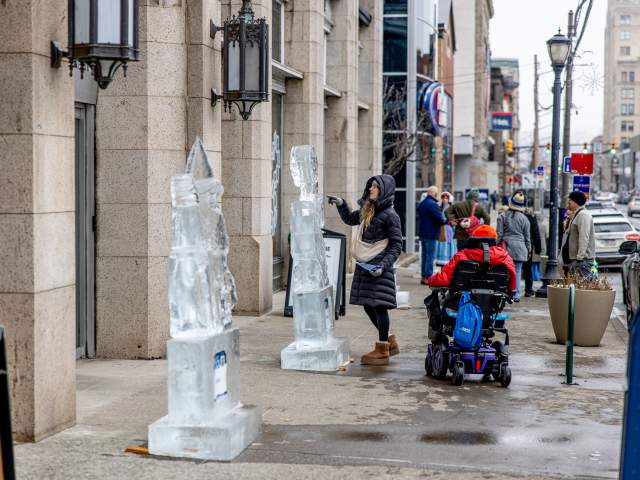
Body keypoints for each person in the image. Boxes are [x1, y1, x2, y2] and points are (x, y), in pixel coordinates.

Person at [328, 175, 403, 366]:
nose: (371, 189)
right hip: (366, 265)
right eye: (370, 186)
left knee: (379, 306)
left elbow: (396, 245)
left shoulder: (390, 216)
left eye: (375, 187)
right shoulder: (368, 210)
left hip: (379, 267)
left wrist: (383, 266)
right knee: (368, 305)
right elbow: (350, 218)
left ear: (384, 190)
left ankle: (383, 348)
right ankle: (389, 341)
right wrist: (341, 204)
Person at [427, 225, 517, 293]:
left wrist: (430, 280)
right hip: (493, 303)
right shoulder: (504, 256)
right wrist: (512, 291)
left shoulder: (461, 256)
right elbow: (513, 279)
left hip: (463, 301)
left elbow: (444, 278)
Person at [496, 191, 531, 301]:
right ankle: (516, 294)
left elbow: (499, 234)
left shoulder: (502, 216)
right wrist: (529, 249)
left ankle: (505, 292)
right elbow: (527, 237)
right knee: (518, 271)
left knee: (505, 271)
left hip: (506, 248)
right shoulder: (525, 219)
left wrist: (496, 246)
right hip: (521, 248)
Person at [560, 191, 596, 278]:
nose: (568, 204)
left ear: (576, 202)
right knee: (575, 288)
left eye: (570, 201)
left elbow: (584, 236)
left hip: (582, 260)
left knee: (581, 288)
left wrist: (580, 257)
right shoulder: (577, 214)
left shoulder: (583, 215)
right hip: (575, 260)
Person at [417, 186, 447, 285]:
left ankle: (423, 276)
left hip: (423, 233)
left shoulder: (422, 203)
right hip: (431, 234)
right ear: (434, 193)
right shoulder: (432, 204)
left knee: (424, 256)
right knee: (430, 256)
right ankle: (428, 277)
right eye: (436, 193)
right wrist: (445, 220)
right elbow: (441, 219)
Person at [522, 208, 542, 297]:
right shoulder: (532, 218)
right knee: (528, 269)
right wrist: (538, 248)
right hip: (528, 246)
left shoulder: (518, 217)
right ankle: (528, 289)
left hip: (516, 245)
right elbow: (536, 233)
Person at [435, 191, 457, 265]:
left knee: (448, 242)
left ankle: (448, 259)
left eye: (446, 198)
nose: (445, 199)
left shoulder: (452, 208)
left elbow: (454, 218)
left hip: (448, 227)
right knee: (441, 242)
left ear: (449, 199)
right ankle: (440, 259)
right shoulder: (439, 207)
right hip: (441, 227)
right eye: (443, 197)